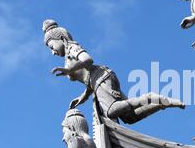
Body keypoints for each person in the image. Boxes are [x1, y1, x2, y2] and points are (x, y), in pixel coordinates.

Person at [43, 19, 185, 124]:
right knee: (130, 117)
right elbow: (88, 78)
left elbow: (88, 60)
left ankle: (148, 97)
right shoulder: (67, 59)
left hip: (102, 78)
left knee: (111, 110)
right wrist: (83, 97)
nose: (52, 52)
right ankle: (161, 103)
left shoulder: (72, 49)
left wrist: (69, 69)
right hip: (99, 81)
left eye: (51, 46)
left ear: (61, 38)